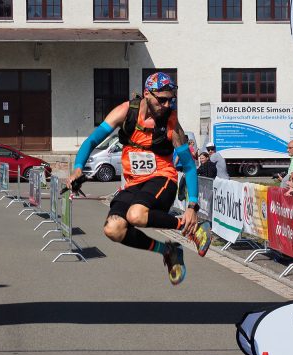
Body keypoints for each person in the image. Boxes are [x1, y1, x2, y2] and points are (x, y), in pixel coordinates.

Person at [67, 72, 211, 285]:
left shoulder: (172, 123)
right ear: (146, 94)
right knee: (113, 229)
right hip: (134, 183)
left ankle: (192, 228)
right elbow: (91, 141)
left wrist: (192, 206)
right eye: (161, 99)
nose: (166, 104)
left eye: (171, 99)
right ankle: (168, 250)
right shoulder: (126, 112)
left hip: (163, 179)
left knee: (135, 214)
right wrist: (78, 169)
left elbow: (189, 166)